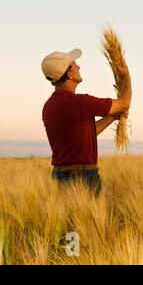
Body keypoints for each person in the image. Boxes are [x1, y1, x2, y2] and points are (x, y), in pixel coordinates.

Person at [41, 48, 132, 196]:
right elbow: (124, 103)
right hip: (83, 176)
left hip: (58, 176)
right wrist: (126, 76)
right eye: (74, 63)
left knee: (67, 219)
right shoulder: (81, 102)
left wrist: (111, 117)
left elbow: (84, 134)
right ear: (70, 74)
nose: (78, 67)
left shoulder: (49, 106)